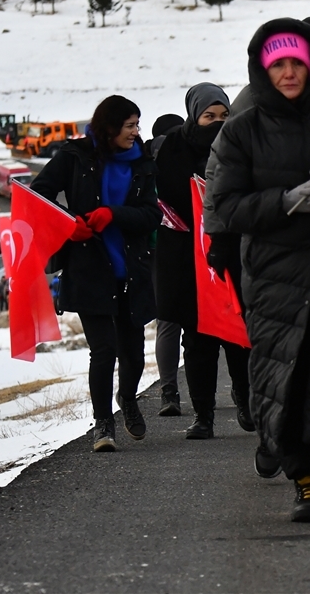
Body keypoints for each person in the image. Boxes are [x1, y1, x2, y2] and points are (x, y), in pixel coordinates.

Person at [211, 18, 310, 524]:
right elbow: (226, 207)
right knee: (288, 376)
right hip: (275, 277)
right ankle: (304, 481)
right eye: (277, 64)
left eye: (296, 63)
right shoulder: (241, 130)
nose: (288, 73)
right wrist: (284, 203)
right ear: (262, 68)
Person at [31, 95, 160, 453]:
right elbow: (37, 194)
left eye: (138, 124)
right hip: (89, 268)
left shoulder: (143, 164)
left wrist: (113, 214)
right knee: (104, 350)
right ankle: (103, 423)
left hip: (131, 269)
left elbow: (151, 215)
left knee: (133, 354)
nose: (136, 132)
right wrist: (67, 222)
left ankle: (128, 398)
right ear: (109, 127)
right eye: (129, 125)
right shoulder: (74, 156)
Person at [152, 84, 254, 440]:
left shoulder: (240, 143)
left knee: (239, 336)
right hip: (188, 259)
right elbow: (164, 197)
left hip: (233, 252)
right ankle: (203, 414)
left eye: (224, 116)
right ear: (194, 115)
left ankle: (245, 399)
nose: (218, 123)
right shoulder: (172, 149)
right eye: (209, 116)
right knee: (197, 340)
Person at [148, 112, 185, 417]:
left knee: (168, 324)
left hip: (158, 248)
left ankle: (168, 391)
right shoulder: (186, 151)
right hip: (194, 244)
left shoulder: (145, 160)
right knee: (207, 322)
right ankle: (230, 393)